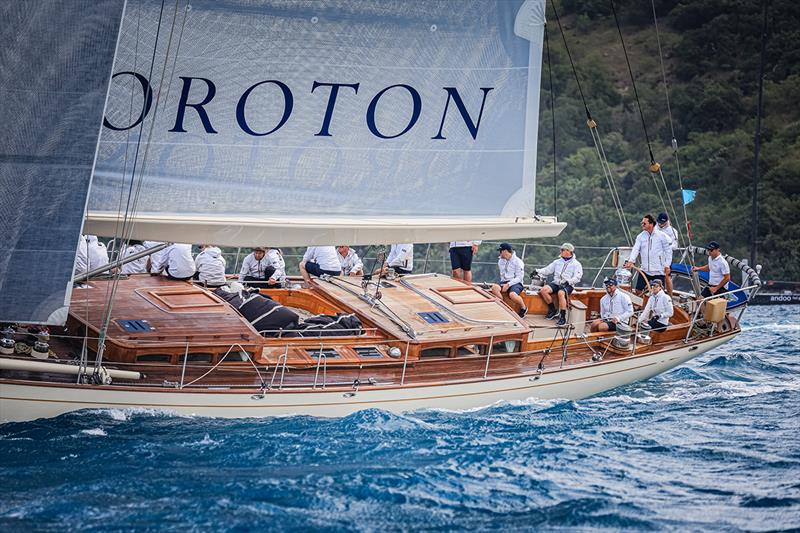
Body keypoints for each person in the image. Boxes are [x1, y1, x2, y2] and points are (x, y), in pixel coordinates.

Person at [624, 214, 672, 296]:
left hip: (658, 270)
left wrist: (667, 265)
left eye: (644, 223)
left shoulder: (662, 236)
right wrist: (631, 261)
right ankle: (645, 306)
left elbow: (668, 251)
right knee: (638, 291)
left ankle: (667, 302)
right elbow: (636, 249)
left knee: (659, 293)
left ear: (651, 224)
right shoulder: (640, 236)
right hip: (645, 269)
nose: (642, 225)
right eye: (642, 223)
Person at [537, 243, 583, 326]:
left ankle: (562, 317)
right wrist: (537, 271)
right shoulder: (557, 262)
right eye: (561, 250)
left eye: (562, 250)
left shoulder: (576, 264)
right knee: (543, 290)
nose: (560, 251)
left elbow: (578, 277)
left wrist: (568, 282)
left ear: (569, 251)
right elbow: (548, 270)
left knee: (561, 293)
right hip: (557, 282)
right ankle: (553, 310)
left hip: (568, 284)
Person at [489, 242, 527, 318]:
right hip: (504, 281)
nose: (499, 253)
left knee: (512, 295)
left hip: (516, 282)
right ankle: (503, 307)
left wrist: (509, 284)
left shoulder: (518, 262)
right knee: (494, 288)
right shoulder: (500, 261)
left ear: (505, 251)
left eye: (500, 251)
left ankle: (524, 308)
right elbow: (502, 275)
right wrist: (504, 284)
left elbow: (519, 278)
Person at [656, 212, 679, 295]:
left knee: (667, 276)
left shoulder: (673, 231)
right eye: (659, 222)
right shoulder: (654, 228)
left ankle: (670, 296)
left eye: (663, 223)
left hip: (666, 257)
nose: (661, 224)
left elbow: (675, 245)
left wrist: (665, 246)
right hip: (655, 256)